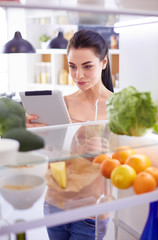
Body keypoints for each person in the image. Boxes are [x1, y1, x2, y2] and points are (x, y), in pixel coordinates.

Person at [26, 29, 114, 240]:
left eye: (87, 66)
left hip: (91, 213)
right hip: (54, 204)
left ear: (103, 63)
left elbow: (130, 164)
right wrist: (31, 136)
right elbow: (49, 159)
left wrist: (107, 156)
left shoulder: (116, 107)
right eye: (72, 66)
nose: (78, 75)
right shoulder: (62, 104)